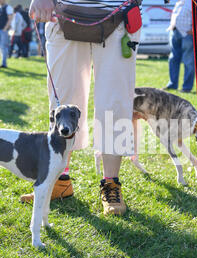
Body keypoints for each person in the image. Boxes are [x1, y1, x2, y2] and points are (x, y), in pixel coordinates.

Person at [20, 0, 142, 216]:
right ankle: (60, 180)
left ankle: (111, 183)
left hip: (118, 15)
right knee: (63, 102)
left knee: (115, 103)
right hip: (63, 13)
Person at [164, 0, 194, 93]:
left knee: (188, 61)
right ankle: (172, 84)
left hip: (187, 34)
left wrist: (194, 29)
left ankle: (187, 87)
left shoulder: (194, 2)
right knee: (173, 59)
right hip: (175, 32)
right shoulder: (180, 2)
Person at [0, 0, 13, 68]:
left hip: (4, 30)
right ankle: (3, 62)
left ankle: (4, 63)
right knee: (1, 47)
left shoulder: (8, 7)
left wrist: (5, 28)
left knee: (4, 46)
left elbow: (10, 19)